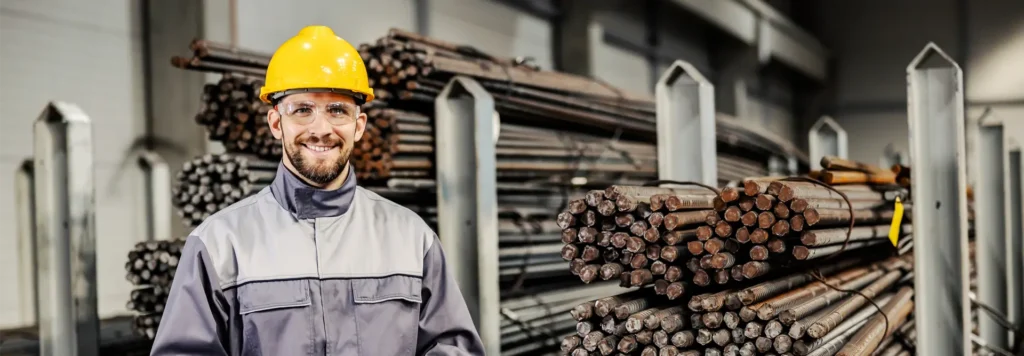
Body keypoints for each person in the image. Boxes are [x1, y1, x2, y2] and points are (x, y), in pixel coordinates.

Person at [150, 25, 486, 356]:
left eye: (337, 110)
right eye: (303, 110)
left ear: (359, 126)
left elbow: (454, 348)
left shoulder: (412, 238)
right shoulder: (220, 244)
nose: (321, 129)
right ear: (276, 123)